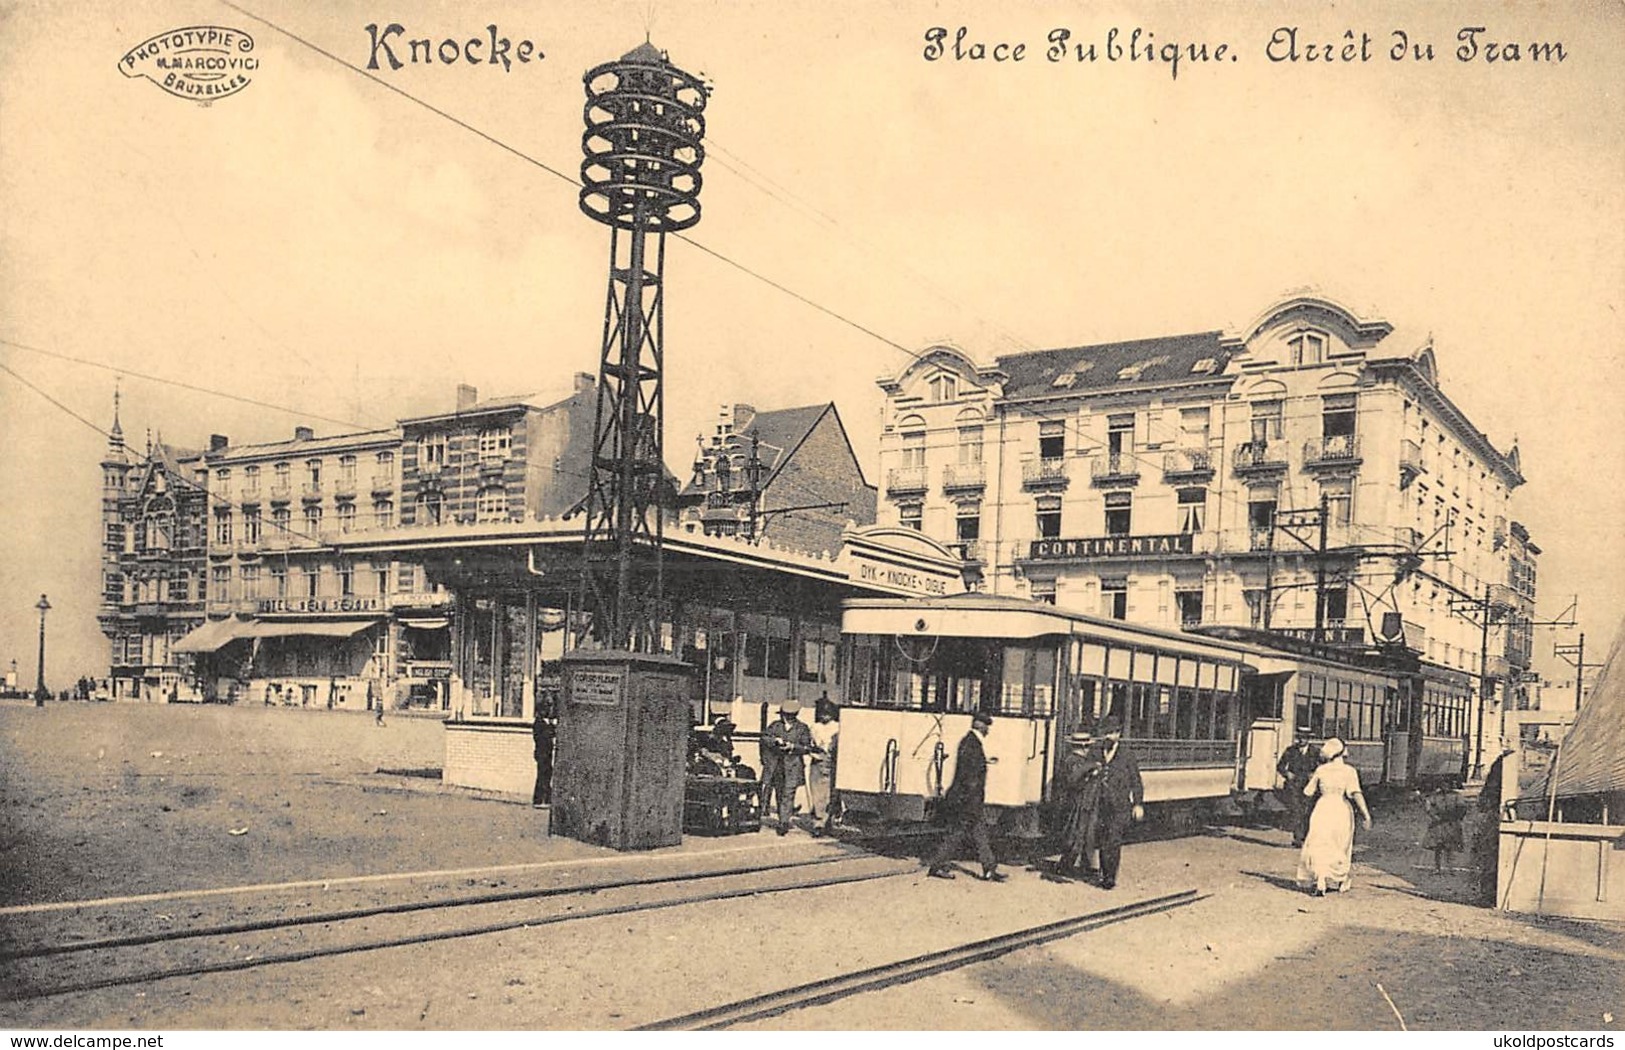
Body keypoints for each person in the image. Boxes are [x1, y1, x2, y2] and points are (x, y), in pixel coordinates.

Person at [924, 712, 1005, 882]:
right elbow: (970, 777)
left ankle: (989, 869)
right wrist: (972, 801)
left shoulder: (969, 742)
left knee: (979, 834)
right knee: (957, 834)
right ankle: (937, 865)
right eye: (986, 726)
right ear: (980, 725)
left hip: (967, 799)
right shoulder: (972, 744)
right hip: (967, 800)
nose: (988, 730)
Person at [1296, 737, 1373, 896]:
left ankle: (1321, 880)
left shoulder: (1321, 770)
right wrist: (1366, 815)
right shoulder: (1349, 771)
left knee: (1320, 844)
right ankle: (1340, 878)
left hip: (1322, 808)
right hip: (1340, 809)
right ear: (1341, 752)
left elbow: (1307, 792)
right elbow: (1355, 793)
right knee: (1339, 845)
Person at [1094, 717, 1144, 890]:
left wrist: (1138, 804)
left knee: (1113, 841)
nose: (1109, 736)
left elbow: (1136, 781)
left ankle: (1110, 877)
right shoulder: (1096, 750)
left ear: (1118, 734)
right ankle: (1103, 871)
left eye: (1113, 732)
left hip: (1120, 806)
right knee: (1102, 839)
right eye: (1107, 733)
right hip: (1100, 804)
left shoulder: (1127, 755)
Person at [759, 700, 816, 835]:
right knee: (779, 792)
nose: (785, 717)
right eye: (784, 715)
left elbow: (807, 747)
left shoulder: (802, 728)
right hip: (776, 764)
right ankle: (782, 817)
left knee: (788, 793)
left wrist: (793, 747)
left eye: (789, 715)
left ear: (794, 715)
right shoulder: (775, 726)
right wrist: (775, 741)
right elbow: (764, 738)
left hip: (792, 765)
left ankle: (784, 822)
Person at [1055, 730, 1103, 878]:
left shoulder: (1072, 760)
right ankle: (1068, 866)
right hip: (1080, 804)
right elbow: (1073, 781)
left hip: (1084, 803)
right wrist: (1091, 771)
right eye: (1087, 747)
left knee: (1084, 835)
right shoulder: (1074, 761)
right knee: (1078, 835)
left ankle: (1079, 866)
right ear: (1083, 746)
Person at [1472, 748, 1513, 906]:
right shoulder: (1506, 763)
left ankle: (1489, 894)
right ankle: (1492, 893)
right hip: (1500, 812)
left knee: (1490, 854)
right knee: (1492, 854)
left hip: (1495, 814)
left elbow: (1488, 791)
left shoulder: (1501, 762)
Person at [1277, 728, 1321, 847]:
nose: (1302, 740)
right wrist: (1287, 774)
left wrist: (1315, 774)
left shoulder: (1315, 752)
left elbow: (1322, 768)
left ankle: (1306, 837)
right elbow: (1280, 766)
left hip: (1309, 785)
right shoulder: (1290, 751)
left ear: (1309, 739)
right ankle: (1298, 838)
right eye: (1300, 737)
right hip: (1294, 785)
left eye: (1305, 737)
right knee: (1296, 811)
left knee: (1308, 811)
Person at [807, 701, 839, 832]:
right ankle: (818, 822)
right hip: (818, 760)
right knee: (817, 791)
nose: (824, 717)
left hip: (833, 761)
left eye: (827, 714)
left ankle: (829, 818)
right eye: (822, 714)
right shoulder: (814, 727)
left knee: (832, 792)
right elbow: (810, 743)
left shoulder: (838, 727)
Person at [1422, 785, 1468, 873]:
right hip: (1440, 823)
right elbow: (1429, 808)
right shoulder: (1436, 796)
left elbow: (1462, 808)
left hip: (1450, 822)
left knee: (1449, 846)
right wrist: (1434, 816)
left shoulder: (1456, 796)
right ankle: (1438, 867)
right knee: (1438, 846)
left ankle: (1449, 867)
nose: (1445, 786)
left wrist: (1457, 817)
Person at [531, 710, 555, 809]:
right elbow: (543, 736)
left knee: (546, 774)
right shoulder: (539, 724)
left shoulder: (546, 724)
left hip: (546, 753)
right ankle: (539, 799)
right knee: (543, 775)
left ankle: (544, 798)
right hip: (542, 753)